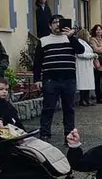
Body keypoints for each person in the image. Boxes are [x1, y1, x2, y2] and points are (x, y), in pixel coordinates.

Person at [34, 14, 84, 142]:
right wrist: (37, 79)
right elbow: (37, 62)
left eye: (60, 22)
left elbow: (80, 50)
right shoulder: (43, 40)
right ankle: (45, 134)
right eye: (55, 22)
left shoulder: (70, 38)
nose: (57, 25)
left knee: (69, 109)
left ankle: (69, 135)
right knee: (48, 108)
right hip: (50, 79)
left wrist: (71, 37)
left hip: (68, 79)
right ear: (50, 26)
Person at [75, 28, 98, 107]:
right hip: (82, 66)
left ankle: (87, 99)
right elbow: (81, 54)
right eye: (88, 34)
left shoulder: (86, 43)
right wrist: (93, 55)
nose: (89, 36)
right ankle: (82, 100)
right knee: (83, 84)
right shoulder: (79, 42)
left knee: (88, 83)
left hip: (88, 66)